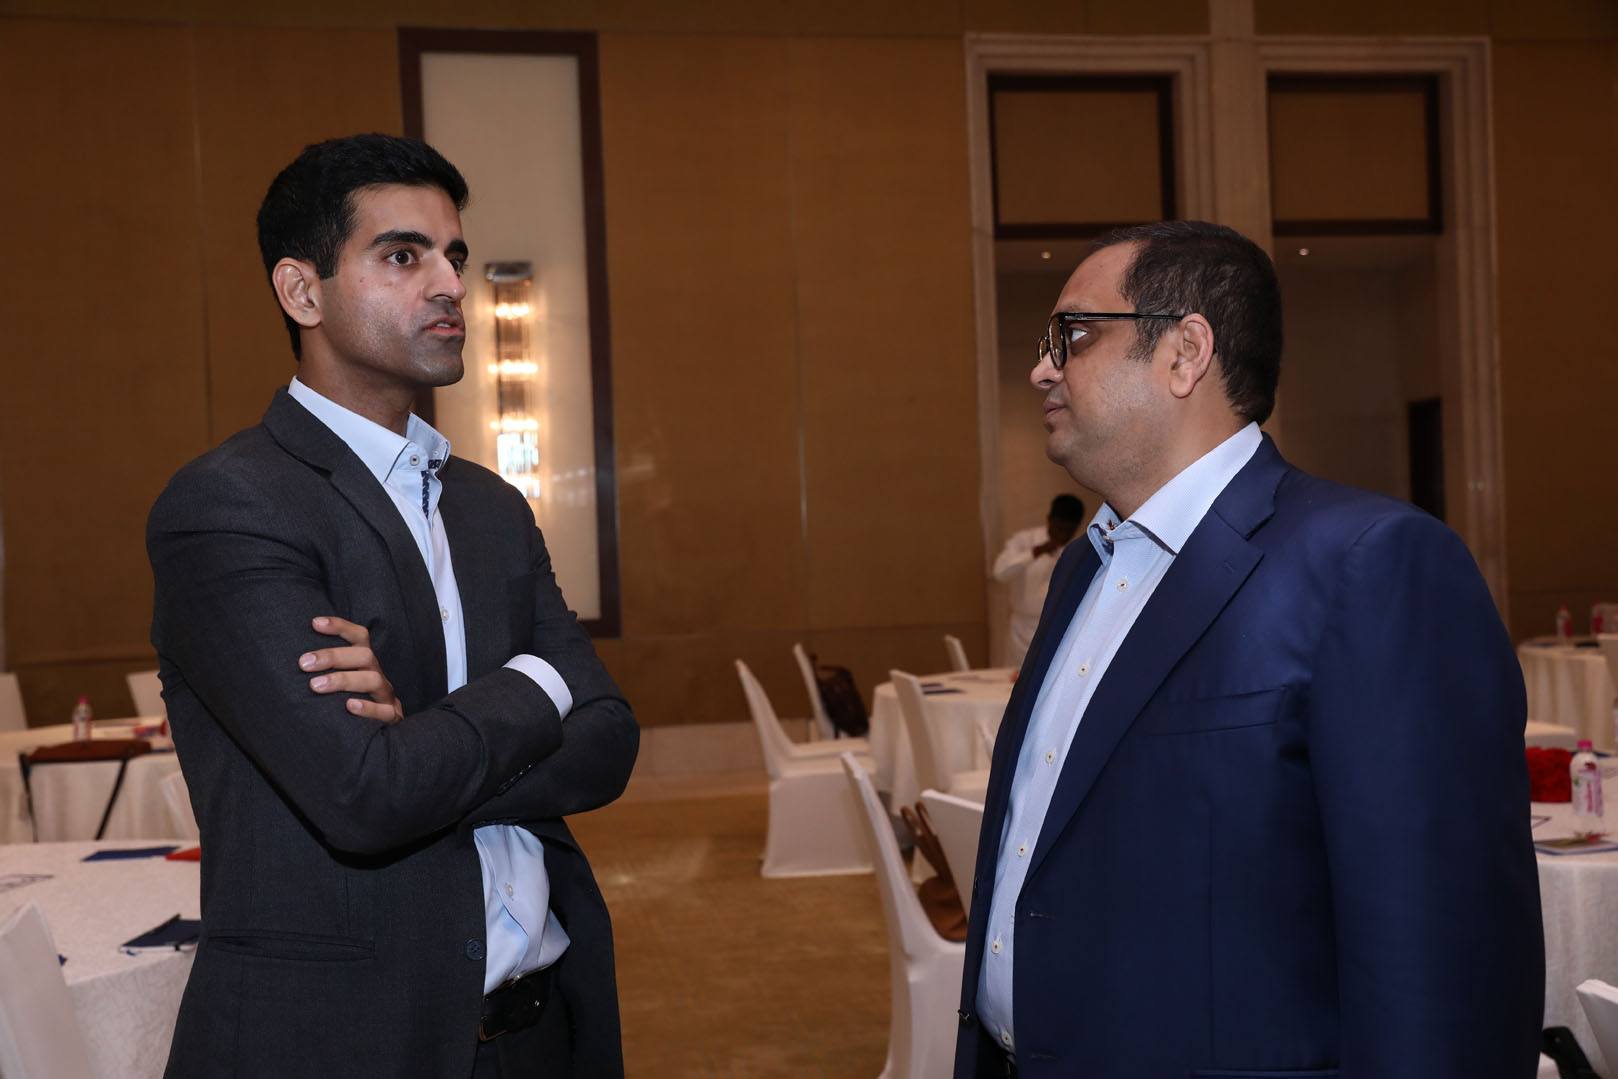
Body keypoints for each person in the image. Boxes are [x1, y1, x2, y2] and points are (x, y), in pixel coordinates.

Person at [954, 221, 1543, 1078]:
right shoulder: (1084, 565)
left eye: (1072, 335)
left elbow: (1445, 955)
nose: (1043, 368)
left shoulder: (1369, 565)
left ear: (1184, 352)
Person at [147, 134, 637, 1078]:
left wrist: (419, 737)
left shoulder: (490, 506)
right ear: (302, 292)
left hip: (540, 1034)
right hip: (345, 1041)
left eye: (454, 255)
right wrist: (535, 686)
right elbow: (366, 796)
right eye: (403, 255)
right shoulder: (231, 505)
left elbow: (610, 736)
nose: (450, 283)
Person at [991, 495, 1086, 669]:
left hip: (1059, 630)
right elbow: (1000, 573)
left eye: (1069, 530)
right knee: (1013, 680)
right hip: (1021, 630)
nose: (1063, 535)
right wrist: (1035, 552)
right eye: (1059, 528)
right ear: (1049, 520)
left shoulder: (1080, 548)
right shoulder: (1024, 540)